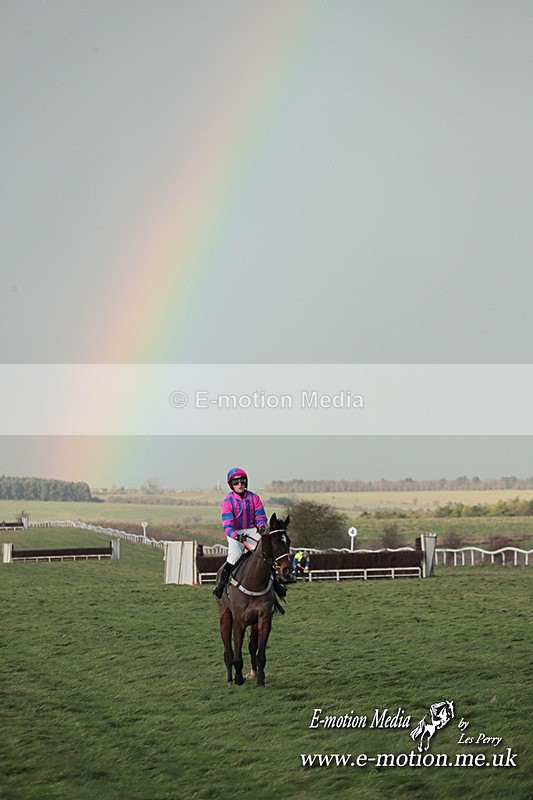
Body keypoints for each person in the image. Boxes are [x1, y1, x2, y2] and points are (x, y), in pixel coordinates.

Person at [213, 467, 287, 599]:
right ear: (231, 485)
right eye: (236, 483)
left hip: (251, 530)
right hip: (234, 532)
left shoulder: (254, 498)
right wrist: (236, 535)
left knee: (266, 554)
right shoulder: (227, 502)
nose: (239, 485)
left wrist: (262, 527)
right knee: (234, 556)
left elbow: (260, 517)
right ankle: (221, 586)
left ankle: (277, 585)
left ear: (246, 482)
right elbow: (227, 524)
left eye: (242, 482)